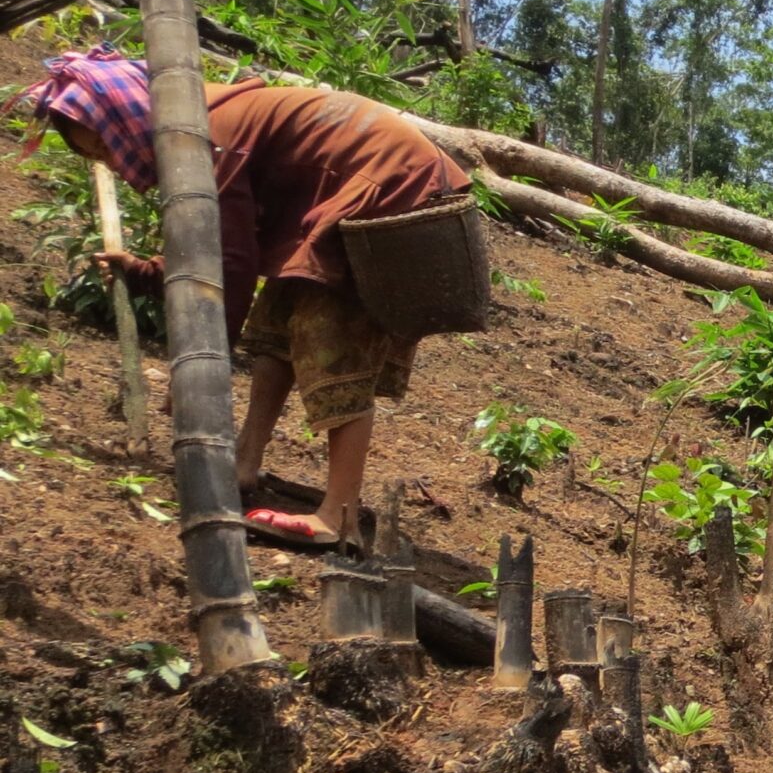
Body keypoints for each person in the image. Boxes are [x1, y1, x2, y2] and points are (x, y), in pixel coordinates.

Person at [13, 50, 470, 544]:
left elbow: (228, 266)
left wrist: (199, 371)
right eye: (100, 156)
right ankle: (245, 461)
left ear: (128, 118)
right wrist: (145, 271)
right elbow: (218, 247)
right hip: (358, 190)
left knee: (334, 342)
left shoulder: (209, 139)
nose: (112, 162)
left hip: (390, 190)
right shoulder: (205, 126)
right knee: (276, 326)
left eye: (106, 146)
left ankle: (339, 516)